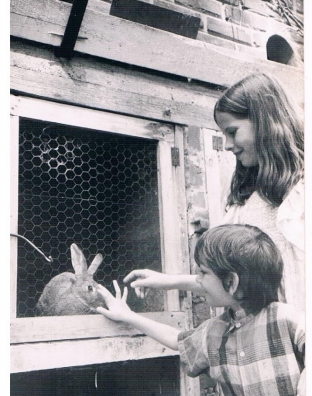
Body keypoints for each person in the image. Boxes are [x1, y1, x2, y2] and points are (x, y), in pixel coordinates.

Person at [96, 224, 306, 396]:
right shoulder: (215, 332)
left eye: (203, 272)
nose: (197, 279)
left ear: (232, 283)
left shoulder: (284, 318)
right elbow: (176, 339)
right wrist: (128, 316)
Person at [124, 72, 304, 311]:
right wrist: (167, 281)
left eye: (233, 131)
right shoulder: (246, 198)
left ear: (266, 123)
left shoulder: (302, 190)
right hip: (265, 336)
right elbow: (232, 282)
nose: (228, 145)